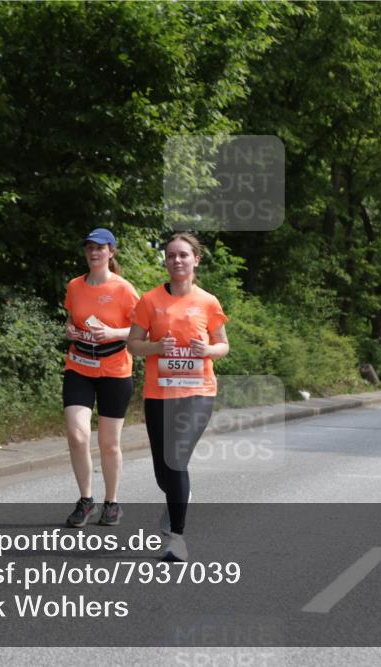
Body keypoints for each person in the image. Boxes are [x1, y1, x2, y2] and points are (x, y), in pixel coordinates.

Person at [127, 233, 229, 562]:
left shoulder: (208, 302)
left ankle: (177, 538)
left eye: (183, 255)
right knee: (164, 472)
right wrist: (156, 347)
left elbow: (223, 345)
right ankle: (178, 496)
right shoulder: (149, 300)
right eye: (171, 255)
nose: (177, 260)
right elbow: (132, 344)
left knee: (176, 459)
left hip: (198, 392)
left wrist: (207, 350)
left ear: (195, 260)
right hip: (159, 393)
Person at [62, 228, 140, 528]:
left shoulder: (124, 289)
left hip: (115, 370)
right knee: (77, 435)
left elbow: (143, 329)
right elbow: (71, 319)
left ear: (111, 252)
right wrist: (70, 330)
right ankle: (86, 500)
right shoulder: (75, 285)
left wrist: (113, 332)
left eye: (100, 248)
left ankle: (112, 502)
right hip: (79, 366)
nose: (94, 253)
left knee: (109, 444)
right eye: (89, 248)